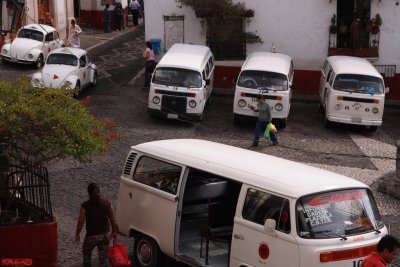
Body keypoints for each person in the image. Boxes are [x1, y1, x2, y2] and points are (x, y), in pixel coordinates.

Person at [75, 183, 117, 267]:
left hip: (91, 236)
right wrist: (114, 231)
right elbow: (113, 219)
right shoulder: (107, 203)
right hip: (105, 235)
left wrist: (77, 233)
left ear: (89, 193)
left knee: (86, 254)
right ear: (99, 192)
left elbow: (81, 221)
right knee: (103, 259)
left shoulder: (85, 206)